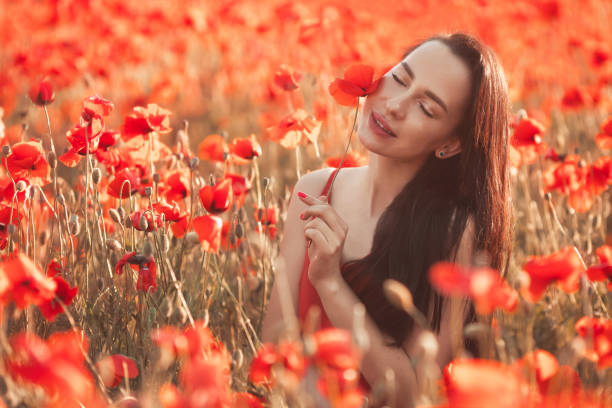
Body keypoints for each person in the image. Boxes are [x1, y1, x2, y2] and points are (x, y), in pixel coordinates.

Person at [261, 32, 513, 406]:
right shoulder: (313, 190)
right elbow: (272, 347)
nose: (395, 105)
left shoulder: (452, 232)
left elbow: (414, 391)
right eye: (399, 78)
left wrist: (330, 283)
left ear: (450, 144)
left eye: (427, 108)